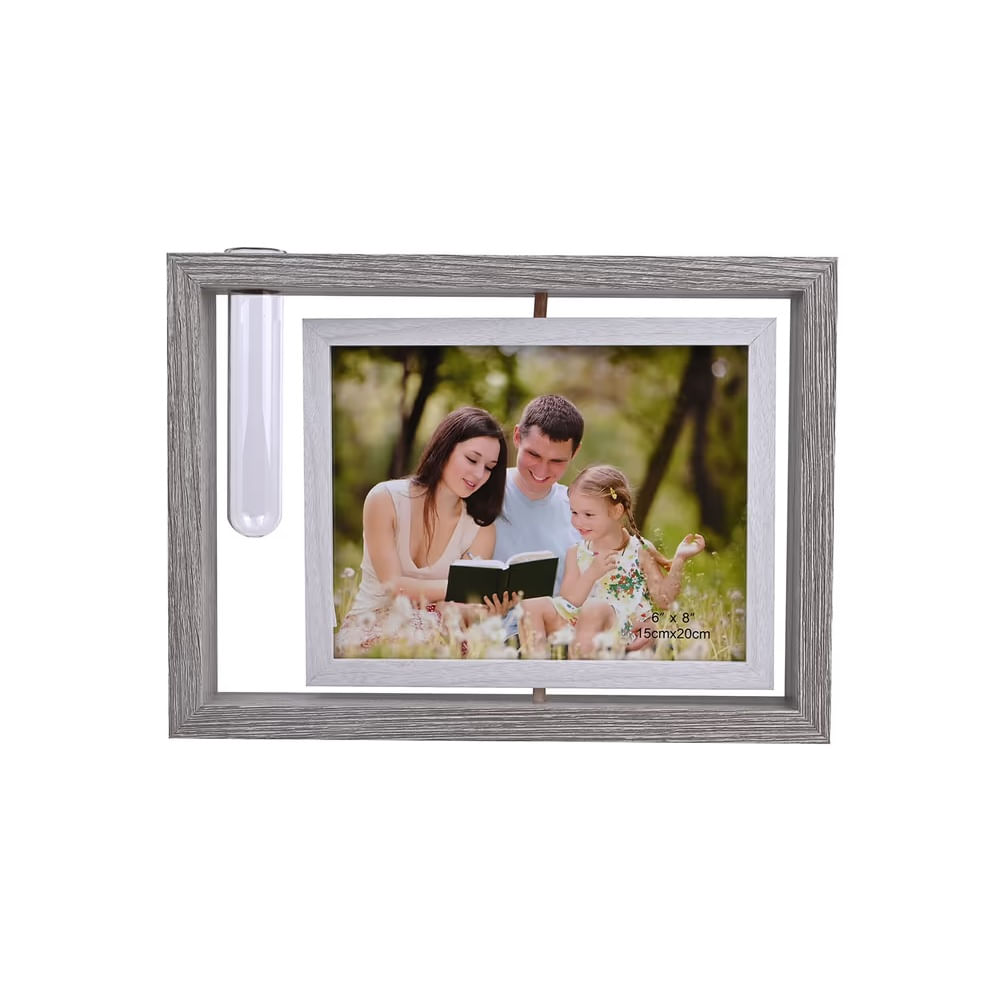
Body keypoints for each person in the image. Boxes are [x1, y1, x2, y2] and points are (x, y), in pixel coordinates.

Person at [335, 406, 507, 654]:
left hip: (437, 632)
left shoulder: (480, 528)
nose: (479, 474)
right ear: (446, 448)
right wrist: (456, 588)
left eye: (489, 467)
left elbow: (460, 609)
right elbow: (393, 586)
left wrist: (486, 608)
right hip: (370, 626)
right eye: (472, 459)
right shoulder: (384, 499)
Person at [517, 464, 706, 659]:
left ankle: (580, 670)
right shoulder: (576, 552)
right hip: (578, 624)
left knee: (594, 608)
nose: (578, 522)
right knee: (531, 605)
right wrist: (592, 573)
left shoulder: (638, 550)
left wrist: (680, 559)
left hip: (623, 629)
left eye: (588, 514)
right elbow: (569, 600)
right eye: (574, 512)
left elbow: (664, 600)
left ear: (616, 511)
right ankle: (538, 665)